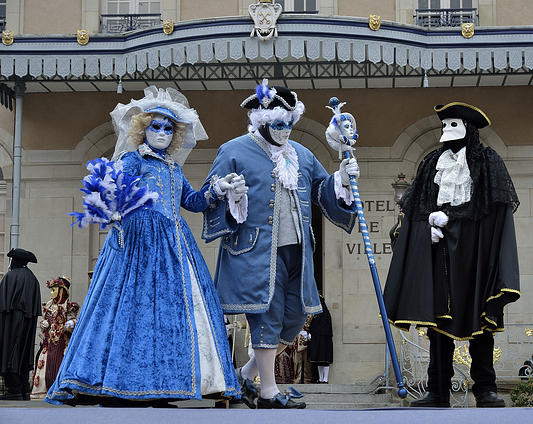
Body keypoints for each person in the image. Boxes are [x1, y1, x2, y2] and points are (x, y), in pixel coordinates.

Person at [46, 86, 245, 406]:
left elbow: (191, 203)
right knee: (130, 310)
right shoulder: (131, 161)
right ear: (143, 128)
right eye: (156, 126)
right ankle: (118, 382)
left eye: (169, 128)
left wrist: (216, 189)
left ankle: (165, 384)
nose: (163, 133)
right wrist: (110, 210)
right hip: (136, 244)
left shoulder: (173, 169)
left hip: (173, 248)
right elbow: (109, 192)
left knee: (170, 315)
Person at [201, 79, 358, 409]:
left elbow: (321, 191)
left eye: (290, 123)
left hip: (298, 251)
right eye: (278, 124)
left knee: (296, 317)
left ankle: (243, 376)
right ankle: (269, 391)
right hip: (256, 250)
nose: (285, 129)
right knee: (268, 316)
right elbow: (207, 197)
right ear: (262, 120)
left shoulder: (301, 153)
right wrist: (225, 191)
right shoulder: (233, 150)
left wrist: (342, 177)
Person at [383, 102, 521, 408]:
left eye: (453, 126)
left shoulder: (487, 162)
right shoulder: (432, 162)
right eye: (444, 126)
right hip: (440, 256)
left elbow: (493, 213)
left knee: (480, 323)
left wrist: (453, 221)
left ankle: (485, 388)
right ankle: (438, 390)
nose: (447, 132)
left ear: (468, 129)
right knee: (438, 326)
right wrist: (426, 229)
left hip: (475, 256)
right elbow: (415, 209)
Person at [0, 248, 41, 401]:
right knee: (23, 352)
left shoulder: (11, 276)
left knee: (11, 351)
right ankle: (23, 389)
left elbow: (0, 303)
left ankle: (14, 389)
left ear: (15, 261)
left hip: (12, 323)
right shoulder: (33, 278)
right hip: (27, 323)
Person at [30, 276, 80, 400]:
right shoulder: (48, 305)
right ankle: (44, 390)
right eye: (51, 290)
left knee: (60, 366)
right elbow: (44, 321)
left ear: (62, 291)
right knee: (45, 369)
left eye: (54, 290)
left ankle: (60, 390)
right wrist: (44, 324)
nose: (52, 293)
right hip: (49, 342)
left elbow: (75, 320)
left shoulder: (69, 306)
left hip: (63, 342)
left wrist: (71, 323)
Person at [308, 295, 333, 384]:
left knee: (325, 360)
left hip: (324, 340)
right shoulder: (316, 315)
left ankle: (325, 379)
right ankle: (321, 378)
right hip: (317, 339)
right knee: (318, 360)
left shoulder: (324, 314)